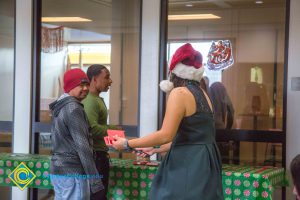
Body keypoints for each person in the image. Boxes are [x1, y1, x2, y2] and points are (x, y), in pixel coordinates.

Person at [112, 43, 223, 199]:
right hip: (207, 161)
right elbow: (194, 137)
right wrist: (156, 149)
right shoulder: (204, 94)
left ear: (174, 71)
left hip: (187, 163)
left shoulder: (179, 93)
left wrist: (127, 144)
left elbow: (166, 134)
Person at [49, 68, 103, 200]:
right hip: (73, 173)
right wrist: (94, 180)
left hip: (58, 171)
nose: (85, 88)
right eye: (80, 85)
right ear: (70, 87)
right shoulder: (73, 108)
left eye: (87, 84)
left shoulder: (60, 106)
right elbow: (83, 147)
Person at [82, 64, 119, 200]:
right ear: (94, 80)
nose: (110, 81)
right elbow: (91, 128)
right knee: (98, 196)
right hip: (95, 157)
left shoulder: (96, 99)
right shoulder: (91, 101)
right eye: (107, 77)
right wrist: (113, 129)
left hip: (97, 155)